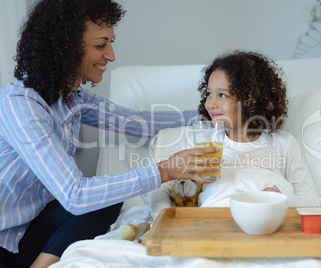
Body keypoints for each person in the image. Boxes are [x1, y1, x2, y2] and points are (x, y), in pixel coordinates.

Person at [0, 1, 220, 267]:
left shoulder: (72, 98)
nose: (111, 55)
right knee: (90, 197)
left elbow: (138, 123)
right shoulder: (20, 104)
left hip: (28, 230)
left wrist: (207, 114)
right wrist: (166, 170)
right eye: (101, 45)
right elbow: (74, 194)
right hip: (3, 240)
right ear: (65, 47)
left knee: (108, 198)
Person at [149, 50, 319, 215]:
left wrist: (280, 198)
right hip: (214, 220)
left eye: (222, 95)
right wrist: (163, 216)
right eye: (209, 93)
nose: (211, 103)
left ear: (250, 100)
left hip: (266, 219)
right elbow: (161, 188)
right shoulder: (201, 139)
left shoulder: (283, 144)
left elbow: (310, 201)